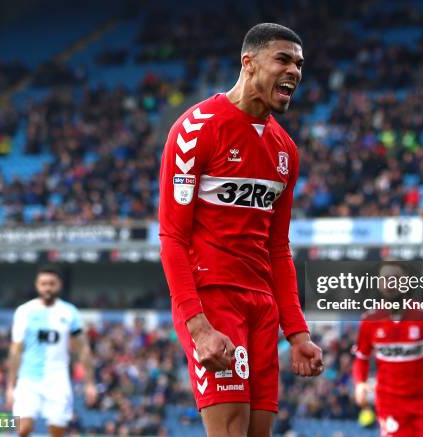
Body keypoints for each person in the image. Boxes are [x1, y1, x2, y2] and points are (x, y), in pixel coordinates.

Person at [159, 23, 324, 437]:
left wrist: (298, 333)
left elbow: (278, 250)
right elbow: (172, 238)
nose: (295, 72)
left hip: (262, 306)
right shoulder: (196, 130)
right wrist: (198, 328)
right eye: (283, 60)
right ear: (248, 64)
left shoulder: (285, 150)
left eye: (299, 64)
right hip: (214, 300)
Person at [352, 262, 423, 437]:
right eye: (384, 279)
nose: (389, 284)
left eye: (394, 279)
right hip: (390, 402)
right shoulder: (369, 321)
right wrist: (360, 383)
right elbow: (361, 357)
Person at [6, 265, 97, 437]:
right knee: (22, 429)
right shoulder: (24, 311)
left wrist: (89, 383)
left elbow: (83, 350)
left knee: (57, 432)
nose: (47, 287)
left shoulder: (70, 312)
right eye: (43, 283)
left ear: (59, 285)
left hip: (57, 379)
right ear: (37, 285)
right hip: (28, 379)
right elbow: (15, 350)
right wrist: (10, 386)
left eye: (51, 283)